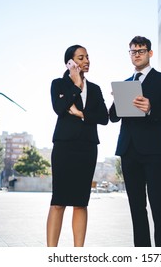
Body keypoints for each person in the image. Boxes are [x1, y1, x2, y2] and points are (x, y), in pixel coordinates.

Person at [109, 36, 161, 247]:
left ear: (150, 53)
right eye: (133, 51)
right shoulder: (126, 84)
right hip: (128, 151)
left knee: (158, 206)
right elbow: (112, 117)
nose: (136, 54)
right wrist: (116, 99)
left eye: (141, 50)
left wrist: (150, 108)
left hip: (154, 151)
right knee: (136, 208)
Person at [46, 44, 109, 247]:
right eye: (81, 58)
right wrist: (75, 85)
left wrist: (81, 114)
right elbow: (59, 108)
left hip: (87, 148)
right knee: (58, 202)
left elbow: (104, 117)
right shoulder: (58, 84)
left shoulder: (96, 89)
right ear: (70, 62)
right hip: (64, 147)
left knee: (81, 203)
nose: (86, 61)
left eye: (87, 57)